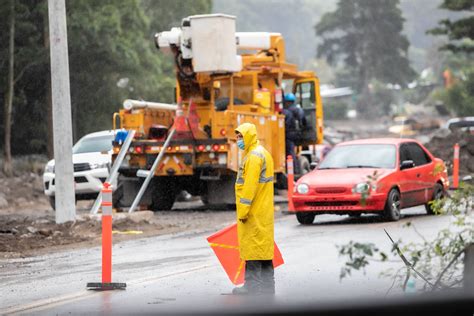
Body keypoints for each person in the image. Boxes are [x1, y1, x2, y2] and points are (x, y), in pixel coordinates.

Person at [232, 123, 275, 295]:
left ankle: (252, 287)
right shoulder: (262, 153)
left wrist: (243, 211)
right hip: (263, 210)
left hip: (253, 210)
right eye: (237, 137)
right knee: (263, 249)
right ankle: (267, 287)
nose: (238, 140)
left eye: (240, 136)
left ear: (249, 136)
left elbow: (249, 188)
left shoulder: (253, 157)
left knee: (252, 248)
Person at [282, 93, 306, 174]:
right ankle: (294, 170)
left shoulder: (286, 112)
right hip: (297, 134)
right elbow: (304, 123)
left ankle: (293, 171)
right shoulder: (300, 110)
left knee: (289, 153)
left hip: (289, 135)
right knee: (292, 152)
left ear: (286, 102)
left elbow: (285, 124)